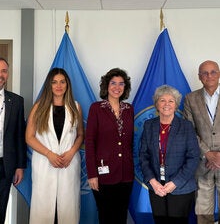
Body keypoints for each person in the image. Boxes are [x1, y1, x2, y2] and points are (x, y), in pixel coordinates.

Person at [26, 68, 84, 224]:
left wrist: (72, 151)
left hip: (69, 164)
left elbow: (80, 135)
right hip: (45, 164)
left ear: (67, 85)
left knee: (67, 211)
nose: (59, 86)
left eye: (62, 82)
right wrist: (49, 154)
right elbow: (29, 137)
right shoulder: (39, 107)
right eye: (54, 82)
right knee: (44, 211)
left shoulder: (75, 107)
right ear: (49, 85)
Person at [140, 85, 200, 224]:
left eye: (171, 101)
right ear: (156, 104)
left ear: (176, 104)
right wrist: (152, 181)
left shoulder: (186, 126)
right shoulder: (149, 125)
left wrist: (175, 183)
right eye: (162, 100)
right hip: (156, 187)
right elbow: (143, 156)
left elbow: (193, 157)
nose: (166, 104)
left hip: (181, 187)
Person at [85, 68, 134, 224]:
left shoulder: (129, 110)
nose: (117, 87)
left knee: (121, 216)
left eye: (121, 84)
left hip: (126, 173)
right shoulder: (96, 108)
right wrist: (92, 173)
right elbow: (90, 141)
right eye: (113, 83)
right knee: (106, 216)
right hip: (103, 173)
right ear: (106, 86)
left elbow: (130, 142)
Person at [183, 60, 220, 224]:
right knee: (203, 211)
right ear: (199, 77)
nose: (209, 76)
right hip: (202, 163)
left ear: (219, 74)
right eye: (204, 73)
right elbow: (189, 130)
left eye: (213, 72)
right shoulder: (190, 98)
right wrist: (207, 153)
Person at [0, 57, 26, 224]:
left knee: (1, 207)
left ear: (8, 74)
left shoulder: (16, 101)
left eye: (4, 71)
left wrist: (20, 166)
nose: (1, 74)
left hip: (5, 164)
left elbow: (19, 135)